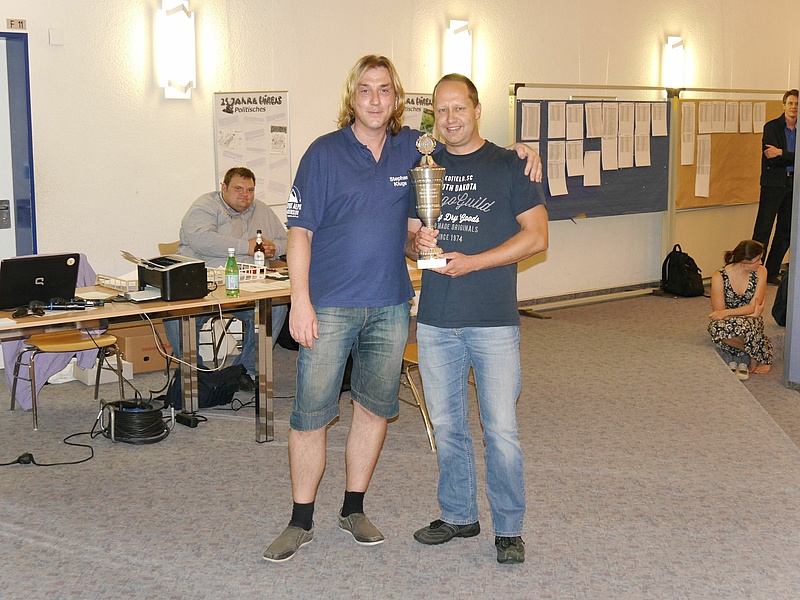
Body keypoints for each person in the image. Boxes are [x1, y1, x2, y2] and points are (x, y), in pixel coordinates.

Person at [262, 55, 542, 563]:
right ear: (352, 97)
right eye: (365, 89)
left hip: (392, 305)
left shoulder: (413, 148)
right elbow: (299, 232)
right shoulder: (323, 153)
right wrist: (299, 301)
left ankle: (354, 509)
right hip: (332, 306)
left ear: (397, 100)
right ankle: (300, 520)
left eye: (385, 90)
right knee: (311, 415)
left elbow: (466, 145)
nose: (375, 99)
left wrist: (522, 148)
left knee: (375, 410)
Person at [408, 74, 548, 565]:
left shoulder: (511, 164)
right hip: (436, 319)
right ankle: (459, 514)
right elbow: (410, 238)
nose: (450, 119)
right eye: (441, 110)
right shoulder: (423, 168)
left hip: (493, 319)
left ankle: (508, 528)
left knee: (501, 430)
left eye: (459, 108)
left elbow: (537, 237)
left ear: (477, 109)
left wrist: (474, 262)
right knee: (447, 425)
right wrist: (417, 244)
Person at [164, 167, 288, 392]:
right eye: (238, 189)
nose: (245, 195)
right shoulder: (206, 206)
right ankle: (194, 374)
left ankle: (245, 371)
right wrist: (246, 247)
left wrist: (275, 248)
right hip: (205, 286)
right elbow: (201, 239)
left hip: (248, 285)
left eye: (250, 190)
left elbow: (286, 240)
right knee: (175, 315)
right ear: (223, 188)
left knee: (275, 308)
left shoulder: (262, 209)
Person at [708, 239, 773, 379]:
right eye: (758, 260)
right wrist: (749, 313)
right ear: (745, 262)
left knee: (746, 325)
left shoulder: (761, 271)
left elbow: (754, 306)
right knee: (717, 329)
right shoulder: (719, 276)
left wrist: (728, 313)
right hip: (733, 320)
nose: (761, 262)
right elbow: (718, 311)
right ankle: (756, 353)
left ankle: (757, 353)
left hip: (750, 321)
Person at [752, 89, 798, 285]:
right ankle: (754, 271)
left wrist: (782, 152)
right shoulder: (772, 127)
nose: (794, 107)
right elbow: (771, 157)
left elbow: (781, 156)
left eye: (797, 104)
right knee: (763, 229)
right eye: (791, 103)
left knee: (785, 231)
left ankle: (771, 271)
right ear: (784, 105)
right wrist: (788, 156)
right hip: (773, 185)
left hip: (793, 184)